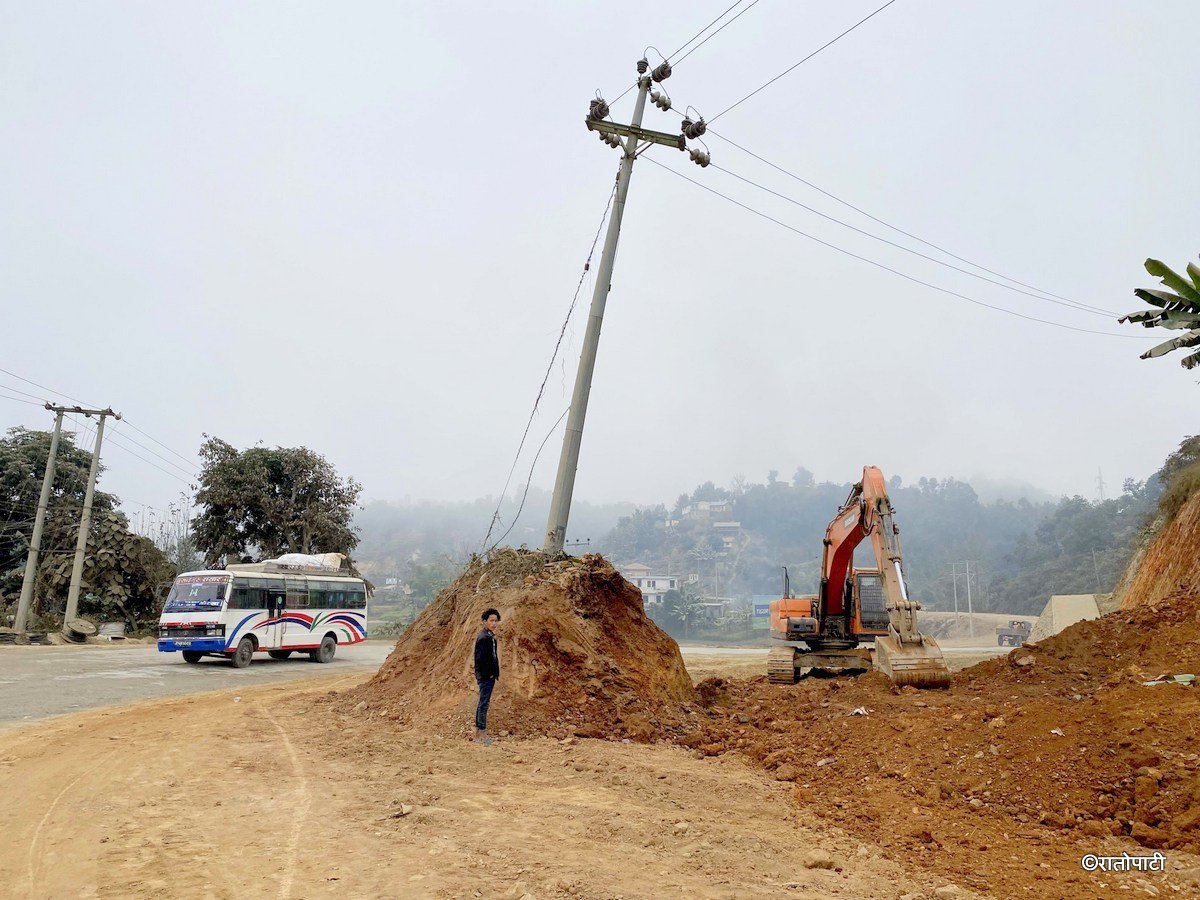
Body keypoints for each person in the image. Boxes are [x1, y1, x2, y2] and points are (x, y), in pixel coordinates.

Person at [473, 608, 501, 744]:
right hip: (486, 676)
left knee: (483, 703)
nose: (494, 623)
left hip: (488, 676)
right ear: (485, 621)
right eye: (491, 621)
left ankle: (480, 734)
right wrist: (488, 674)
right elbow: (480, 659)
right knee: (483, 704)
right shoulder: (484, 638)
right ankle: (480, 735)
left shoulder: (489, 636)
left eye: (496, 621)